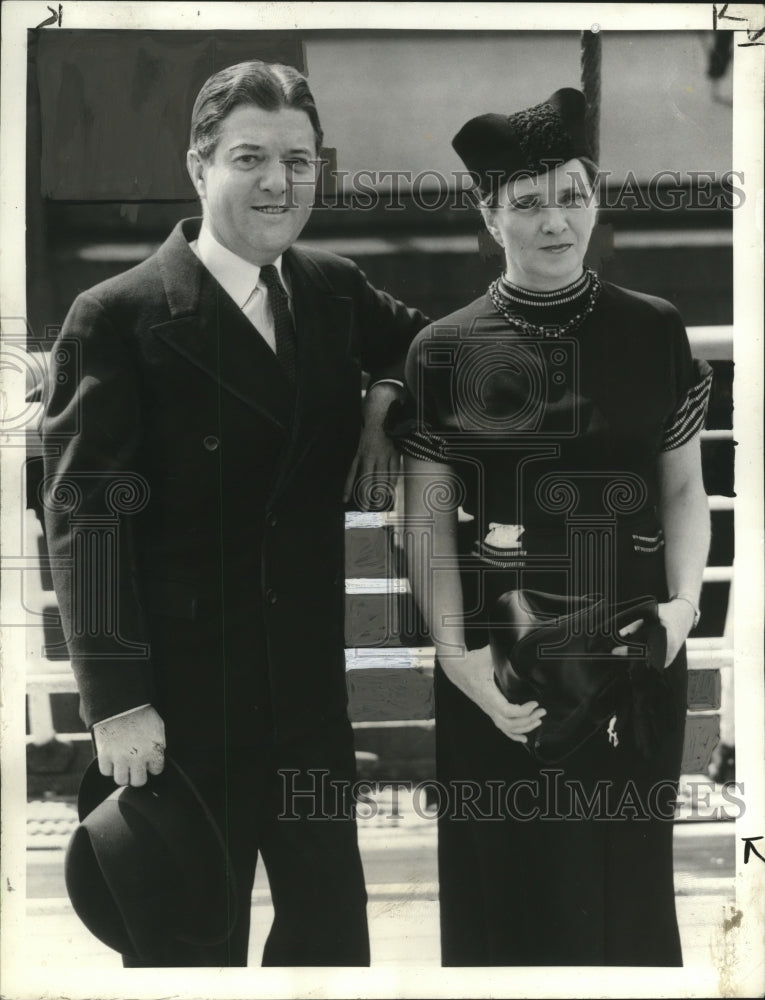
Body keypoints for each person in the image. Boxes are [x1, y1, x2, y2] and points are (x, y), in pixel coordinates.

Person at [42, 59, 428, 967]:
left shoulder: (331, 291)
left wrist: (382, 399)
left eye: (299, 161)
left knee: (330, 944)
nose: (277, 183)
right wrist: (118, 701)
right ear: (197, 166)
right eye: (250, 158)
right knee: (186, 952)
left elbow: (429, 346)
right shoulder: (117, 316)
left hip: (303, 696)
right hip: (176, 705)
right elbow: (85, 521)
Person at [389, 88, 712, 966]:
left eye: (571, 196)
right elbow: (421, 519)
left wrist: (681, 611)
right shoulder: (443, 349)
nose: (554, 221)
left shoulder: (653, 330)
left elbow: (683, 493)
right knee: (509, 891)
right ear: (488, 216)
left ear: (596, 200)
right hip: (503, 660)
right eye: (527, 204)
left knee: (624, 890)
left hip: (633, 649)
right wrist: (458, 663)